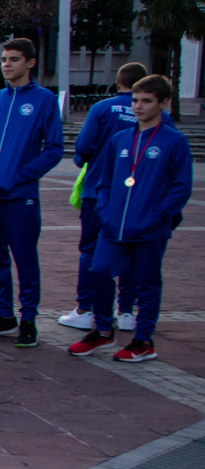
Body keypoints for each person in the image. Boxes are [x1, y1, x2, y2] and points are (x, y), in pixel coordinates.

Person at [67, 73, 190, 364]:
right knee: (99, 271)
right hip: (114, 226)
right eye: (135, 100)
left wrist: (156, 216)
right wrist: (106, 211)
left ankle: (144, 341)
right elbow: (104, 180)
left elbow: (181, 187)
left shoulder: (174, 141)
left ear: (164, 103)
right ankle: (104, 331)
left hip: (150, 228)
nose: (138, 106)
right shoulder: (120, 139)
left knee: (146, 282)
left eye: (147, 101)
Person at [0, 38, 62, 348]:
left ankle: (29, 320)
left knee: (24, 259)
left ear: (30, 63)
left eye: (14, 59)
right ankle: (4, 315)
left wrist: (23, 177)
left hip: (20, 198)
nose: (6, 64)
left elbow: (54, 149)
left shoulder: (44, 99)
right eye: (5, 59)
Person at [62, 63, 155, 334]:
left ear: (118, 82)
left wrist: (84, 159)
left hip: (98, 192)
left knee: (90, 250)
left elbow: (83, 147)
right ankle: (126, 310)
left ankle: (85, 308)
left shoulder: (103, 108)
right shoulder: (158, 115)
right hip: (138, 197)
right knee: (131, 251)